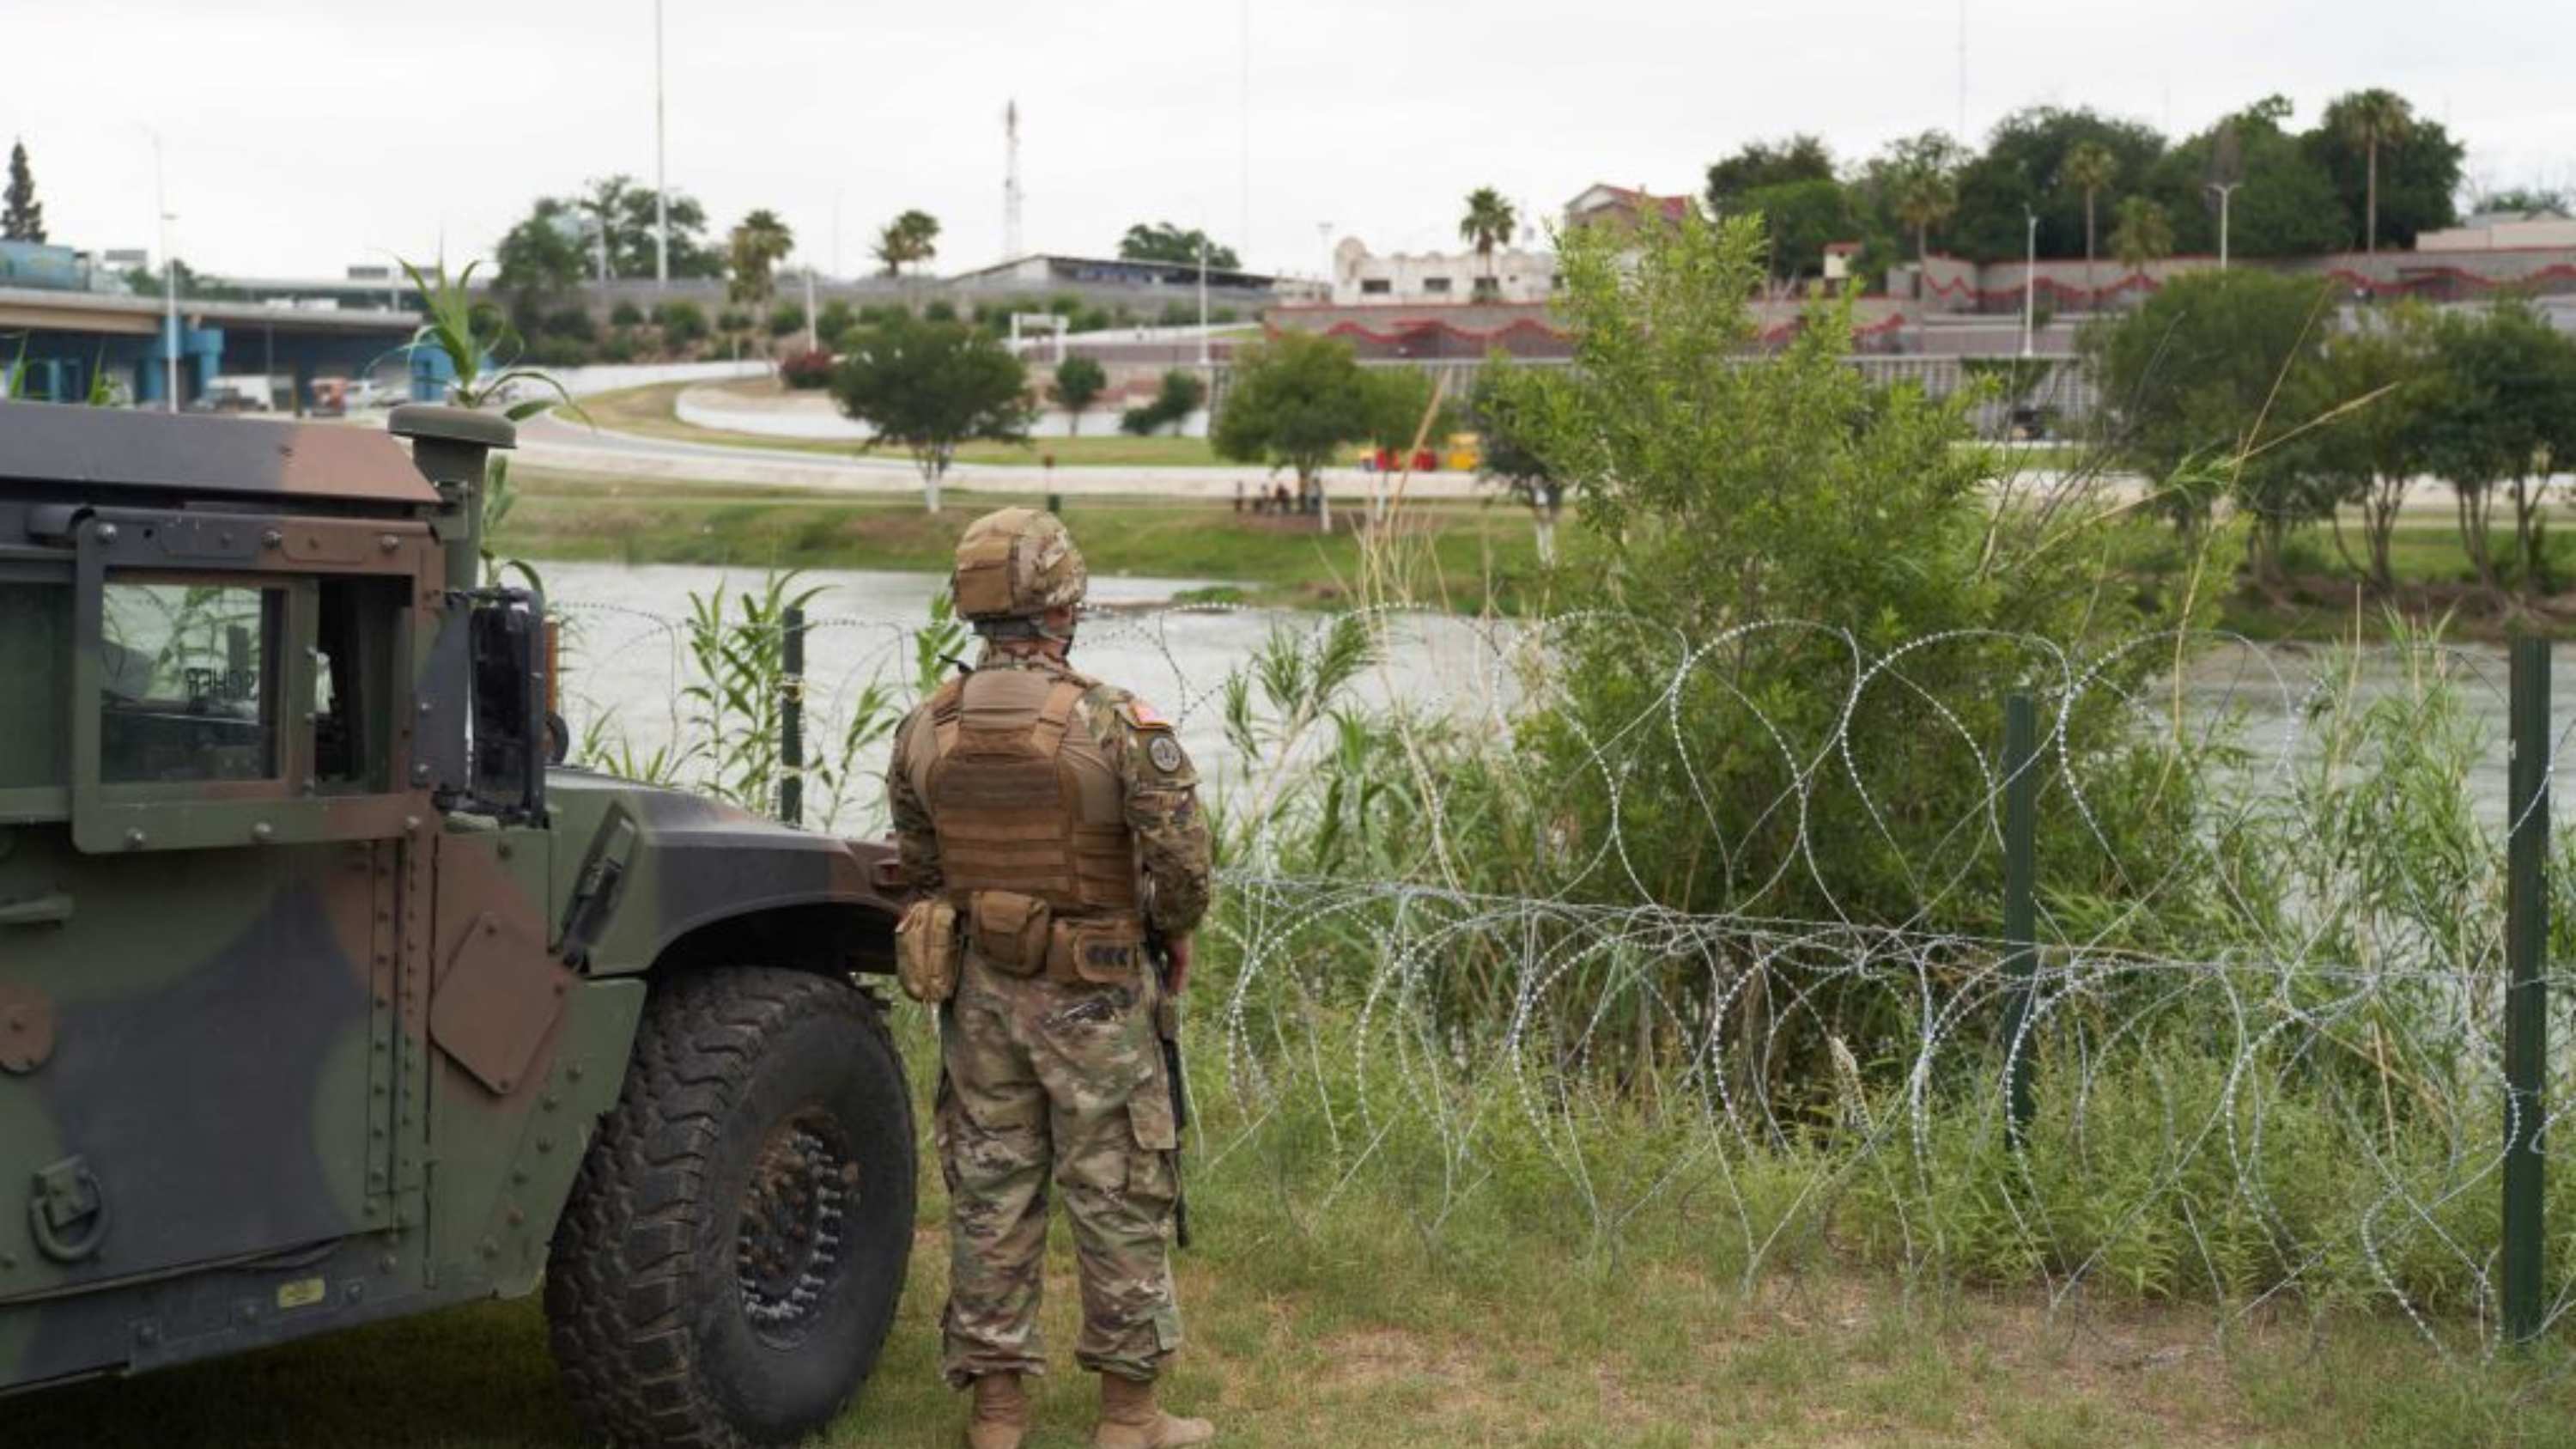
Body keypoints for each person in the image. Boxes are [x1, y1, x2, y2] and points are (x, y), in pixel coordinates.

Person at [887, 508, 1218, 1449]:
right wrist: (1175, 932)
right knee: (1117, 1191)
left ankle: (997, 1417)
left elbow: (920, 867)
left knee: (991, 1194)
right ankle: (1129, 1417)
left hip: (982, 993)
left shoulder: (927, 726)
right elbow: (1183, 862)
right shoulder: (1113, 719)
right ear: (1064, 606)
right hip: (1097, 989)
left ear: (973, 608)